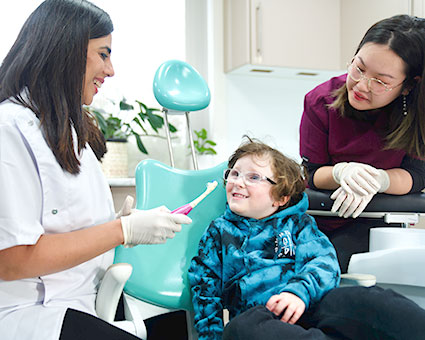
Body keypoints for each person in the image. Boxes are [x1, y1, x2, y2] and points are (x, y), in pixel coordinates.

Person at [0, 1, 192, 339]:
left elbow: (60, 221)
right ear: (66, 52)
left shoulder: (66, 129)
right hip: (34, 313)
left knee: (182, 327)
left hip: (82, 297)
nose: (111, 69)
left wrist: (115, 222)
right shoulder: (10, 129)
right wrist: (121, 230)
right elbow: (13, 259)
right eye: (103, 54)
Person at [299, 14, 425, 272]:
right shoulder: (319, 101)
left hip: (379, 221)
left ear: (408, 86)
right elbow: (312, 172)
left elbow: (417, 174)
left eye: (380, 81)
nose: (361, 85)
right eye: (359, 68)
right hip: (317, 221)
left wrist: (380, 180)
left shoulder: (417, 116)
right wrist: (342, 172)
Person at [188, 137, 341, 340]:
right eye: (234, 174)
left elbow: (324, 261)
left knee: (354, 299)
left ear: (281, 197)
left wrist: (298, 293)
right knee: (242, 327)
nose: (237, 182)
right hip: (260, 322)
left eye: (253, 177)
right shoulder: (219, 232)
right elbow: (204, 288)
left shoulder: (298, 225)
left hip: (307, 305)